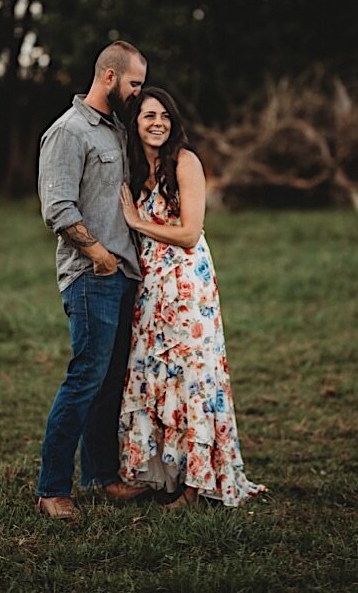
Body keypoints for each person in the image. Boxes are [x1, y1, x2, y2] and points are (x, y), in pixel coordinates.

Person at [117, 86, 266, 508]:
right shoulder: (133, 167)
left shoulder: (186, 162)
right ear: (135, 123)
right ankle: (165, 473)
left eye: (164, 115)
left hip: (186, 282)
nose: (158, 122)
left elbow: (189, 233)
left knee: (192, 374)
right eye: (148, 116)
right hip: (151, 285)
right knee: (155, 372)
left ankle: (197, 485)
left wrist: (137, 222)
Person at [35, 41, 151, 519]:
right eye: (135, 83)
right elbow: (58, 207)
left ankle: (102, 476)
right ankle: (52, 489)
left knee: (109, 382)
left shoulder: (116, 131)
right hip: (91, 276)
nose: (139, 93)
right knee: (85, 378)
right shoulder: (68, 132)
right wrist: (98, 254)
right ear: (109, 77)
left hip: (123, 275)